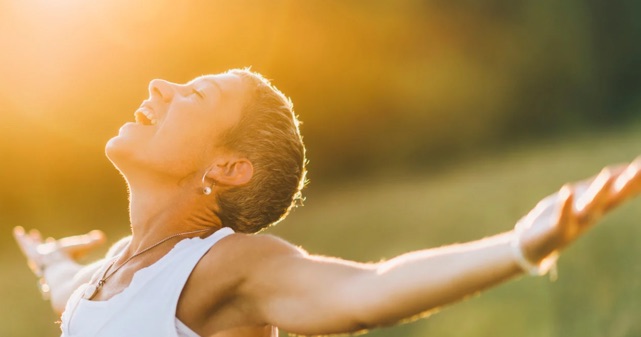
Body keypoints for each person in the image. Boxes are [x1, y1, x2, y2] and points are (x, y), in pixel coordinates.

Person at [13, 68, 641, 337]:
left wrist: (519, 247)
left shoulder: (224, 267)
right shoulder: (115, 272)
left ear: (226, 168)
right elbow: (73, 291)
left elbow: (364, 291)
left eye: (193, 96)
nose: (159, 85)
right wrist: (47, 260)